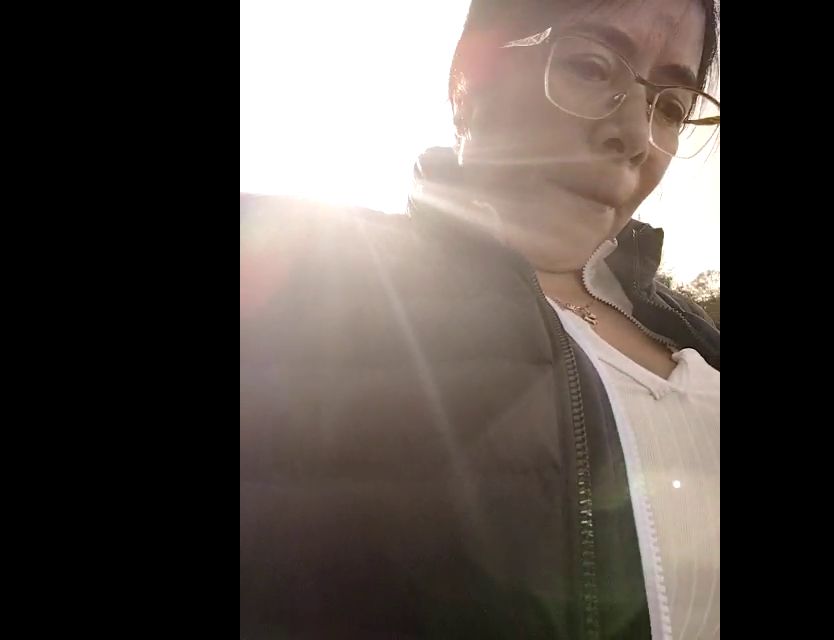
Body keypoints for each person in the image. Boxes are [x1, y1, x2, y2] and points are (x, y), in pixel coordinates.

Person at [240, 0, 720, 637]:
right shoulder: (308, 283)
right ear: (470, 75)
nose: (635, 136)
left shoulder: (695, 331)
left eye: (671, 108)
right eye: (590, 66)